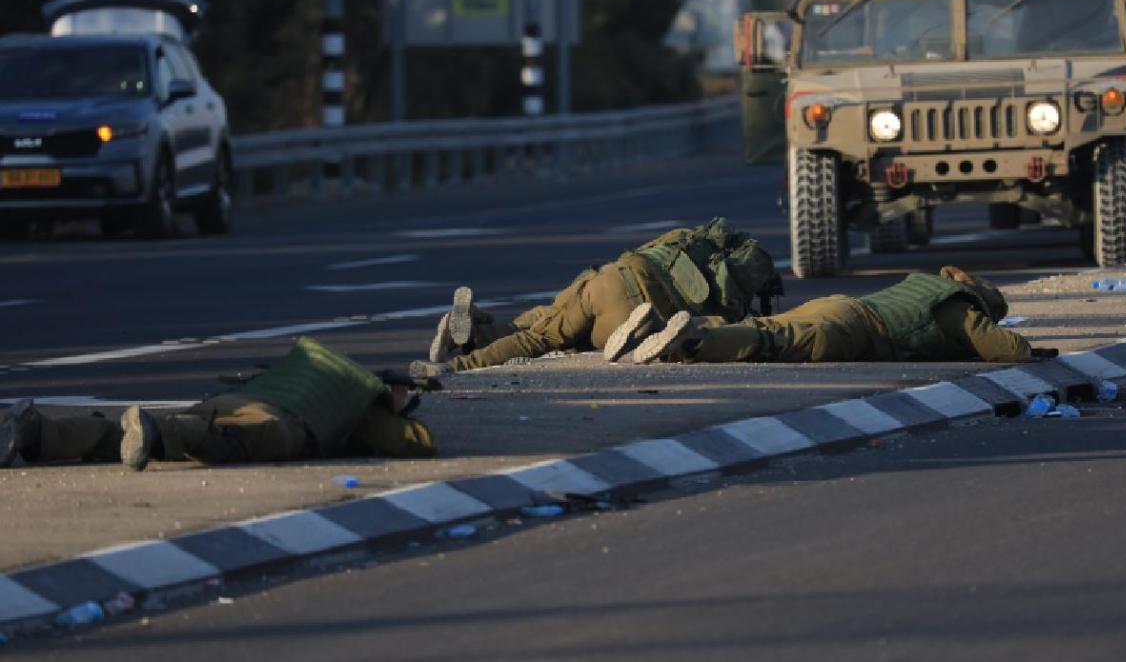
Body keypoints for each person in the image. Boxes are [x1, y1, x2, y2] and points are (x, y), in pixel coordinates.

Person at [0, 337, 436, 471]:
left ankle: (38, 432)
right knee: (225, 443)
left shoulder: (301, 369)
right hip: (280, 421)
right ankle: (154, 431)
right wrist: (388, 406)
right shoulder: (356, 405)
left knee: (116, 435)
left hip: (237, 397)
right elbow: (415, 443)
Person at [416, 217, 783, 375]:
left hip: (612, 281)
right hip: (634, 321)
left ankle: (457, 360)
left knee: (542, 330)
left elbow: (643, 253)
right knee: (562, 332)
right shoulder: (731, 301)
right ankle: (476, 333)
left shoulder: (689, 239)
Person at [629, 265, 1038, 365]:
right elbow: (1013, 351)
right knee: (772, 342)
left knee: (764, 325)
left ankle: (663, 329)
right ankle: (688, 342)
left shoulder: (924, 282)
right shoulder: (959, 310)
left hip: (836, 304)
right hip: (852, 328)